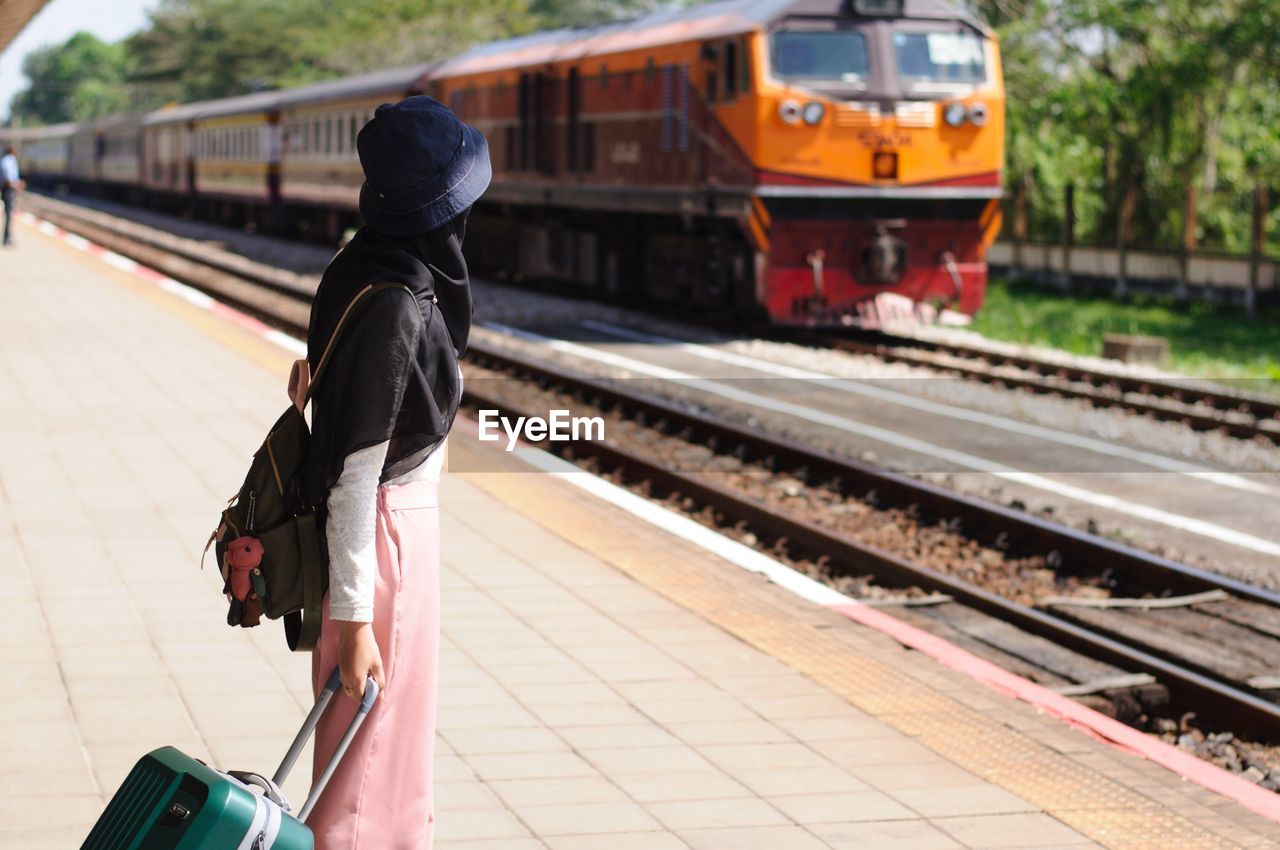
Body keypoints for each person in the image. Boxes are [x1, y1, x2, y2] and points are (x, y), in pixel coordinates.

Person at [301, 96, 490, 849]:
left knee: (376, 759)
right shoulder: (403, 302)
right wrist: (353, 621)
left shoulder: (360, 266)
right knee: (366, 772)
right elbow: (356, 474)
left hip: (378, 537)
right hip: (383, 545)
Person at [1, 145, 22, 247]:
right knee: (9, 214)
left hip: (7, 189)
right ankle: (6, 238)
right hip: (8, 190)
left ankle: (7, 236)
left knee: (9, 214)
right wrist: (16, 185)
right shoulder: (9, 161)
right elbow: (9, 178)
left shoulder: (5, 160)